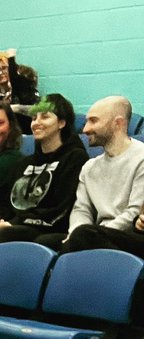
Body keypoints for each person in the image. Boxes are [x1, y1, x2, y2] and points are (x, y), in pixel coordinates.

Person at [0, 94, 87, 245]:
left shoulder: (75, 158)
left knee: (6, 234)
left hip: (51, 227)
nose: (36, 123)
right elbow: (0, 200)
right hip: (17, 224)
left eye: (45, 117)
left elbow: (61, 208)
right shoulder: (25, 163)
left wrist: (14, 223)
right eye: (34, 118)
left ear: (61, 123)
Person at [60, 96, 144, 258]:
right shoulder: (89, 167)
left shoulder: (141, 158)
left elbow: (134, 213)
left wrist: (93, 233)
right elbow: (81, 209)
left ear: (118, 123)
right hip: (95, 234)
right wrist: (74, 232)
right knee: (49, 240)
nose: (85, 129)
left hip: (129, 234)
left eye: (93, 121)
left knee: (83, 236)